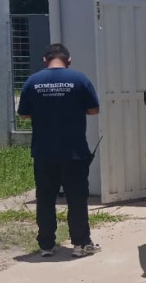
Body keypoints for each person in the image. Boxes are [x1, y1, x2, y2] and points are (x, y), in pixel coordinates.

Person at [17, 44, 102, 258]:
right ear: (69, 60)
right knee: (77, 198)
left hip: (44, 152)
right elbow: (93, 109)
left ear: (45, 60)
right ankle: (81, 244)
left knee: (45, 199)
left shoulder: (32, 82)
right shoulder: (79, 80)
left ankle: (46, 245)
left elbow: (24, 115)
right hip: (74, 152)